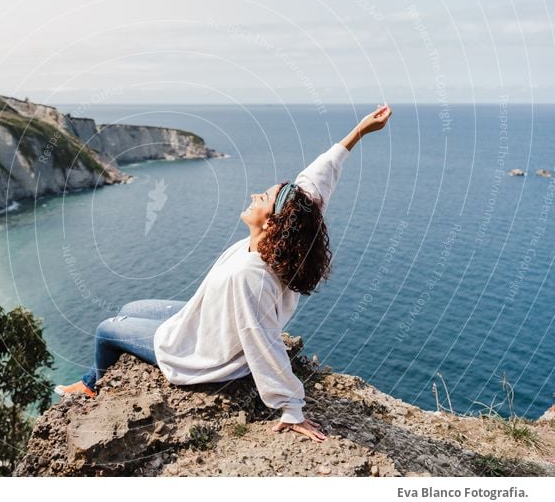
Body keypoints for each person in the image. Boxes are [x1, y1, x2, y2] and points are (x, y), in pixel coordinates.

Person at [56, 103, 393, 443]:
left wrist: (292, 407)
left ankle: (89, 386)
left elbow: (261, 338)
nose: (253, 195)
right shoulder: (288, 234)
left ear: (273, 222)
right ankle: (93, 377)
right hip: (209, 320)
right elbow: (316, 180)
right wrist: (359, 132)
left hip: (209, 352)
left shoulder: (252, 275)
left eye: (262, 197)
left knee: (107, 330)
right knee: (131, 308)